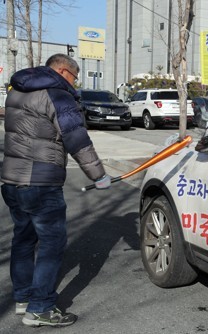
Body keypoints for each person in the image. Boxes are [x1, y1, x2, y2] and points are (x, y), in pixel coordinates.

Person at [1, 53, 111, 327]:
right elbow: (76, 139)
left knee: (23, 240)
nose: (75, 84)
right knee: (52, 244)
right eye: (74, 78)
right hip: (41, 183)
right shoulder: (57, 95)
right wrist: (98, 175)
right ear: (63, 71)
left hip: (12, 181)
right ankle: (41, 309)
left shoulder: (16, 92)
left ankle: (24, 298)